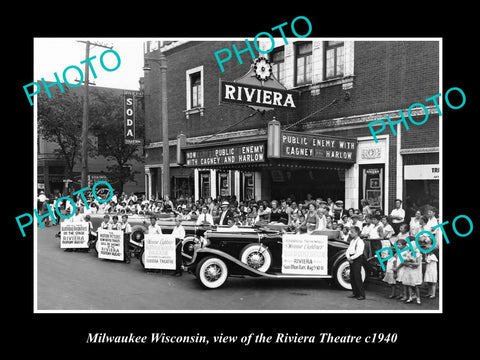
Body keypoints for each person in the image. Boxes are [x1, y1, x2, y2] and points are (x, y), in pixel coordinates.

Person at [346, 226, 366, 300]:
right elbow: (348, 250)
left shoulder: (360, 241)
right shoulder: (352, 241)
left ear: (357, 233)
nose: (350, 233)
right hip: (351, 259)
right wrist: (348, 257)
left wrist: (350, 258)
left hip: (357, 259)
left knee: (357, 277)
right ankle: (355, 293)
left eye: (352, 232)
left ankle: (362, 294)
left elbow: (359, 253)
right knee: (352, 277)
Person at [401, 238, 422, 305]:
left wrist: (410, 263)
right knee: (409, 284)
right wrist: (406, 262)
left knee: (415, 285)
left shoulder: (417, 254)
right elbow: (404, 260)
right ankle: (410, 297)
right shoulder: (408, 253)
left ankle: (418, 298)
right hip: (408, 270)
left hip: (414, 271)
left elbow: (418, 264)